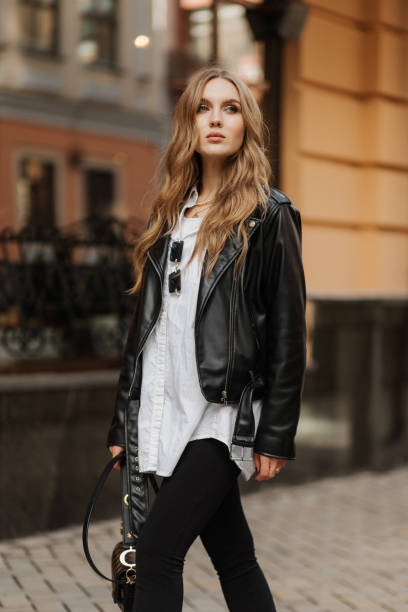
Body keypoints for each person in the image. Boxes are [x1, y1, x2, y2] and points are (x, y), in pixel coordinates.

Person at [107, 66, 306, 612]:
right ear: (188, 123)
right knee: (234, 556)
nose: (216, 119)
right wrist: (125, 420)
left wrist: (276, 434)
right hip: (164, 409)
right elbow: (144, 332)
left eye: (231, 107)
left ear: (247, 124)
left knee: (156, 553)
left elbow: (289, 330)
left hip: (222, 414)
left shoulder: (269, 214)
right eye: (203, 108)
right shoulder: (170, 216)